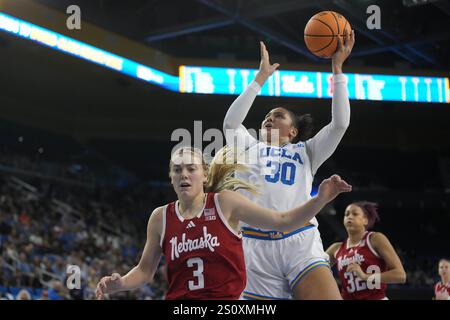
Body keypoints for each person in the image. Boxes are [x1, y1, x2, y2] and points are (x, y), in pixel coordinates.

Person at [96, 147, 351, 300]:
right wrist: (120, 284)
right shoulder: (160, 217)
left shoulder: (224, 203)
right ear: (171, 177)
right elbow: (144, 271)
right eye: (177, 169)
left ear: (204, 175)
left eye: (191, 168)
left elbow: (282, 222)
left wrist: (320, 199)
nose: (184, 174)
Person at [222, 33, 355, 300]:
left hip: (299, 239)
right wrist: (259, 80)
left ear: (293, 131)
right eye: (267, 117)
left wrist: (337, 70)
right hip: (252, 245)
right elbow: (230, 124)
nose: (269, 119)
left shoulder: (307, 151)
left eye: (278, 116)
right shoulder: (248, 146)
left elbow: (340, 124)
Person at [326, 201, 406, 300]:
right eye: (346, 214)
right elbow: (313, 270)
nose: (349, 217)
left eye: (355, 214)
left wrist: (366, 277)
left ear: (365, 220)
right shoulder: (336, 248)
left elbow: (400, 275)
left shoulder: (375, 239)